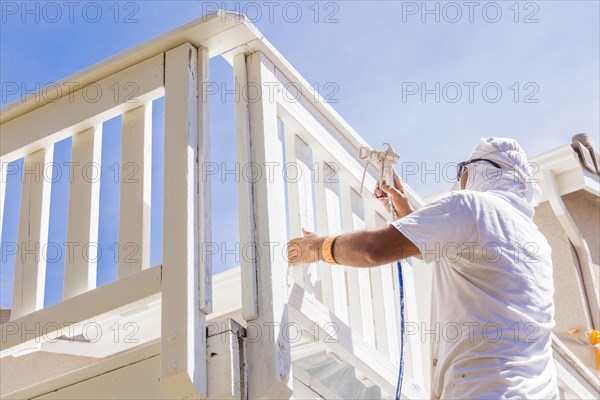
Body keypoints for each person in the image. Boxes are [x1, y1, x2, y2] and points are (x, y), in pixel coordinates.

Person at [287, 137, 557, 399]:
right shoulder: (537, 243)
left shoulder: (472, 205)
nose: (459, 179)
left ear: (475, 171)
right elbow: (458, 253)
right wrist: (407, 213)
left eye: (462, 170)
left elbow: (373, 249)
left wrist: (319, 247)